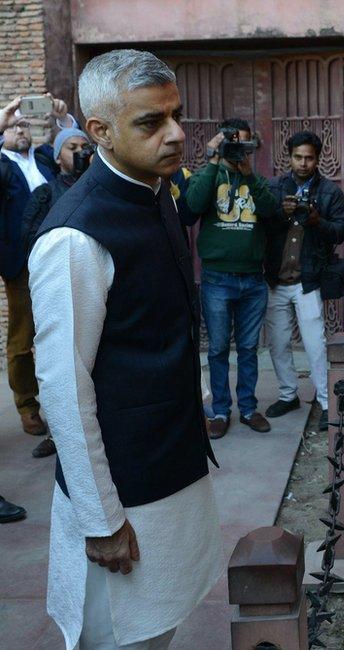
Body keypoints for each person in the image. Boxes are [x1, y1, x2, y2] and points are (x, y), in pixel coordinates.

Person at [29, 49, 222, 649]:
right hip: (123, 495)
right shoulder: (73, 236)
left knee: (159, 629)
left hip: (171, 468)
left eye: (177, 114)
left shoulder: (155, 190)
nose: (176, 134)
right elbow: (63, 389)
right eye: (151, 122)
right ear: (100, 132)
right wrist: (99, 519)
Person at [184, 118, 276, 439]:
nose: (238, 150)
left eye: (244, 144)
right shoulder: (209, 175)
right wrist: (212, 160)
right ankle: (221, 410)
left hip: (252, 279)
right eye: (232, 144)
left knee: (249, 348)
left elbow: (272, 211)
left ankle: (248, 408)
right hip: (217, 279)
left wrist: (249, 174)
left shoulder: (257, 180)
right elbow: (191, 207)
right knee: (219, 348)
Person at [0, 94, 75, 439]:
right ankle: (28, 406)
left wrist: (62, 119)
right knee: (22, 337)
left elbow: (71, 150)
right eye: (15, 127)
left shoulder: (44, 159)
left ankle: (65, 403)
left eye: (25, 125)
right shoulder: (2, 165)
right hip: (21, 265)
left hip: (56, 259)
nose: (22, 131)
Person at [265, 131, 344, 430]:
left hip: (308, 280)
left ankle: (326, 402)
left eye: (309, 158)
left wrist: (318, 221)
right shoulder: (274, 187)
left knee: (316, 344)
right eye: (298, 157)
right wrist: (280, 212)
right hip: (276, 279)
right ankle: (288, 394)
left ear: (318, 158)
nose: (303, 163)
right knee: (277, 343)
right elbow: (260, 223)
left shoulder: (330, 192)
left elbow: (340, 231)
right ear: (289, 157)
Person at [20, 126, 93, 459]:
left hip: (95, 290)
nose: (79, 153)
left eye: (84, 146)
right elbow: (30, 236)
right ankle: (57, 433)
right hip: (58, 289)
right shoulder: (46, 194)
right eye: (71, 147)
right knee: (58, 363)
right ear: (57, 155)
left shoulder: (101, 191)